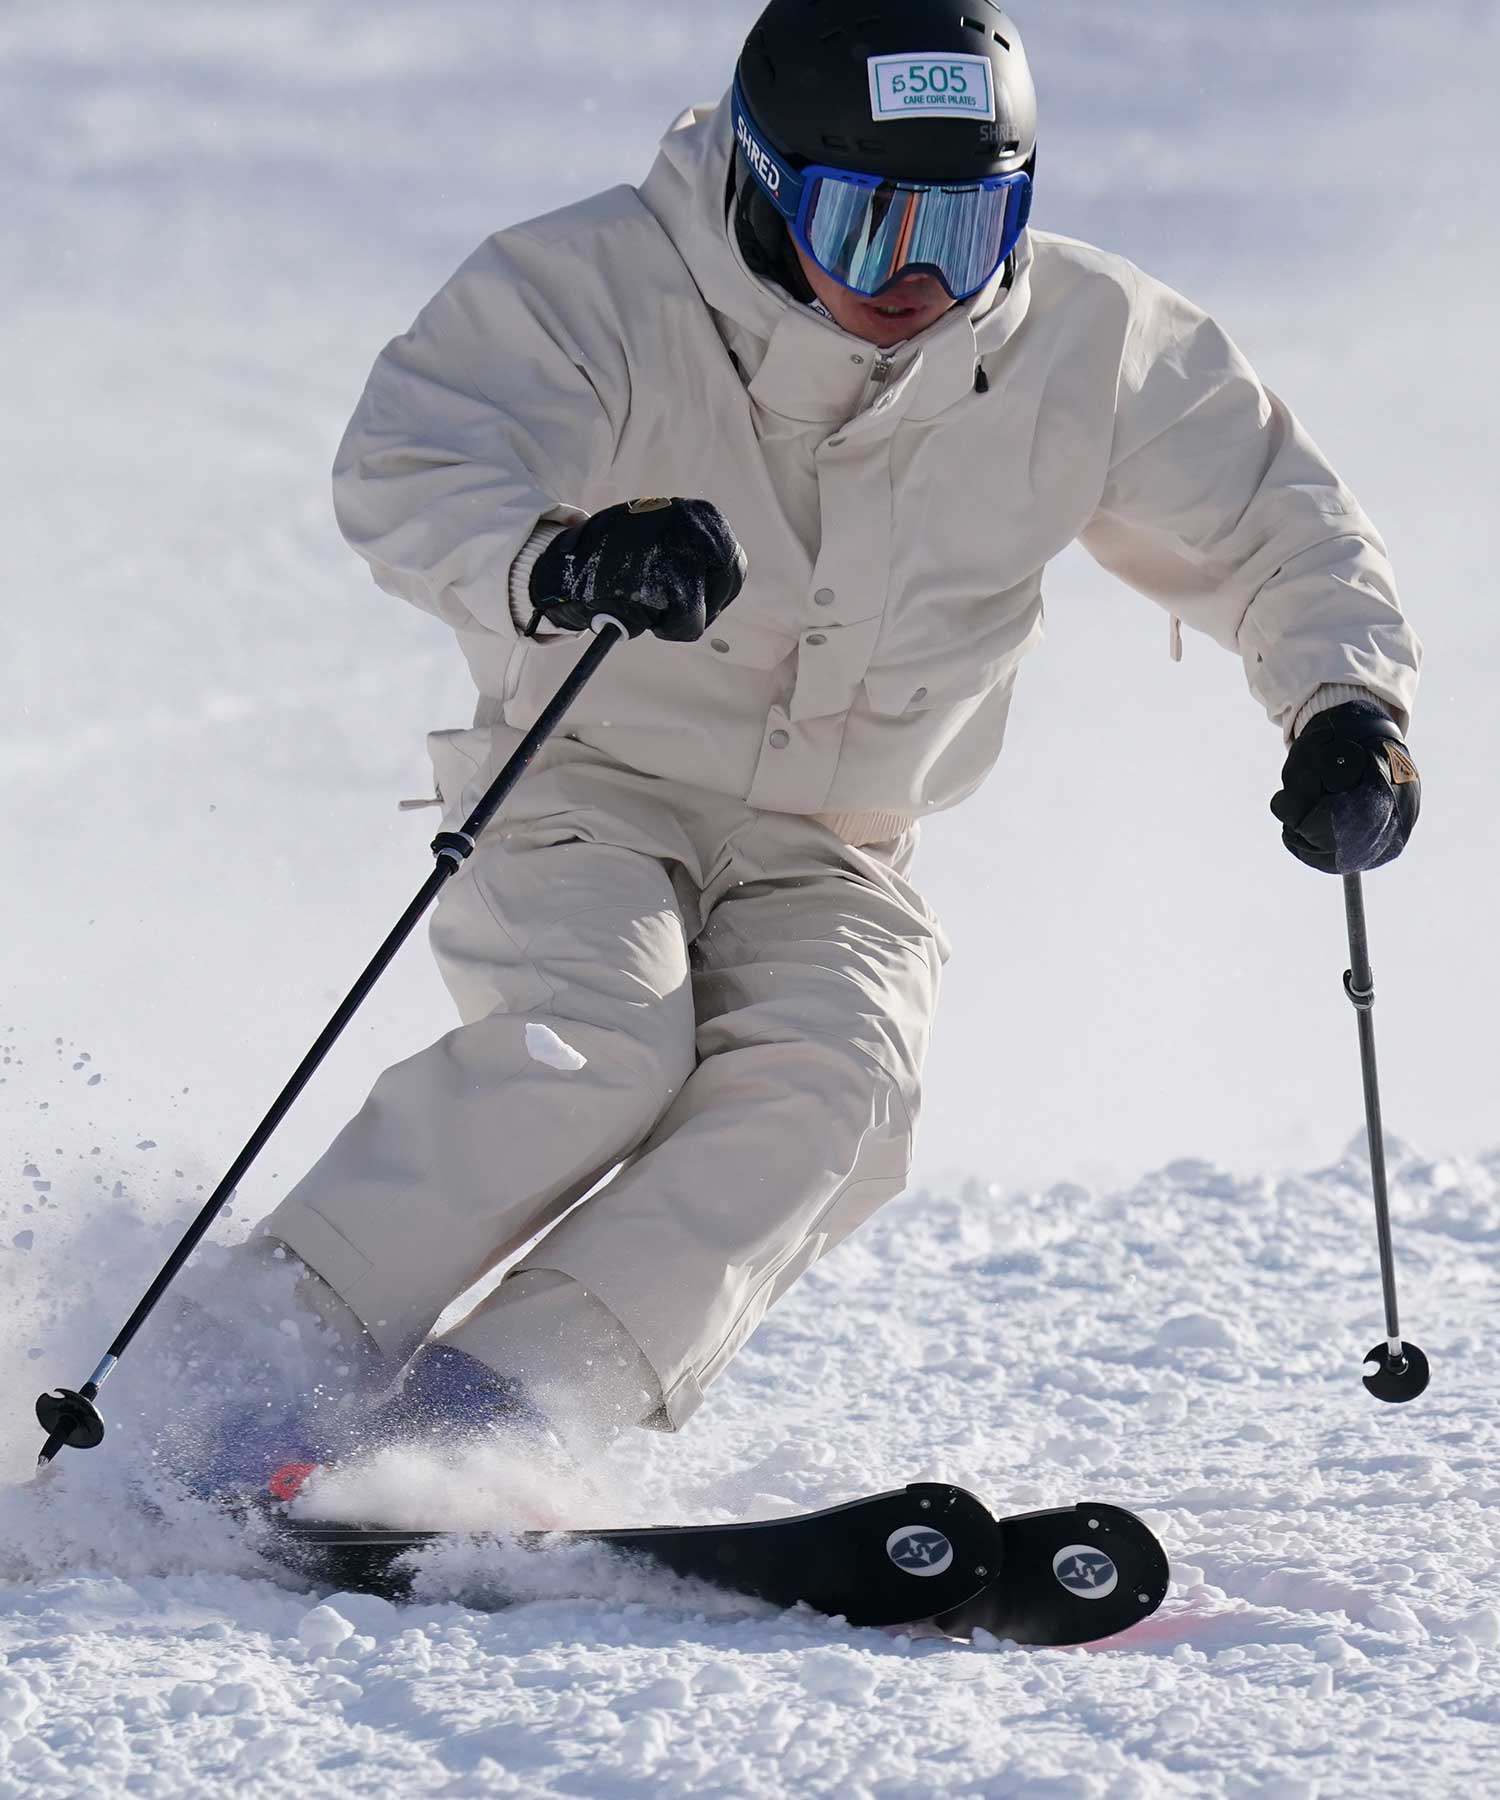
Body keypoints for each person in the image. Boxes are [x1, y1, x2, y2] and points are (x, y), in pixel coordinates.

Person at [179, 0, 1421, 1501]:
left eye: (965, 232)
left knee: (836, 1096)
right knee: (594, 1054)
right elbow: (411, 457)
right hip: (586, 781)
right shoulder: (599, 286)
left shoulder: (1089, 346)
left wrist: (1348, 708)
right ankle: (235, 1375)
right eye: (867, 218)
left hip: (838, 837)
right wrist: (560, 560)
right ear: (769, 182)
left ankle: (473, 1429)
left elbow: (1275, 526)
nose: (916, 278)